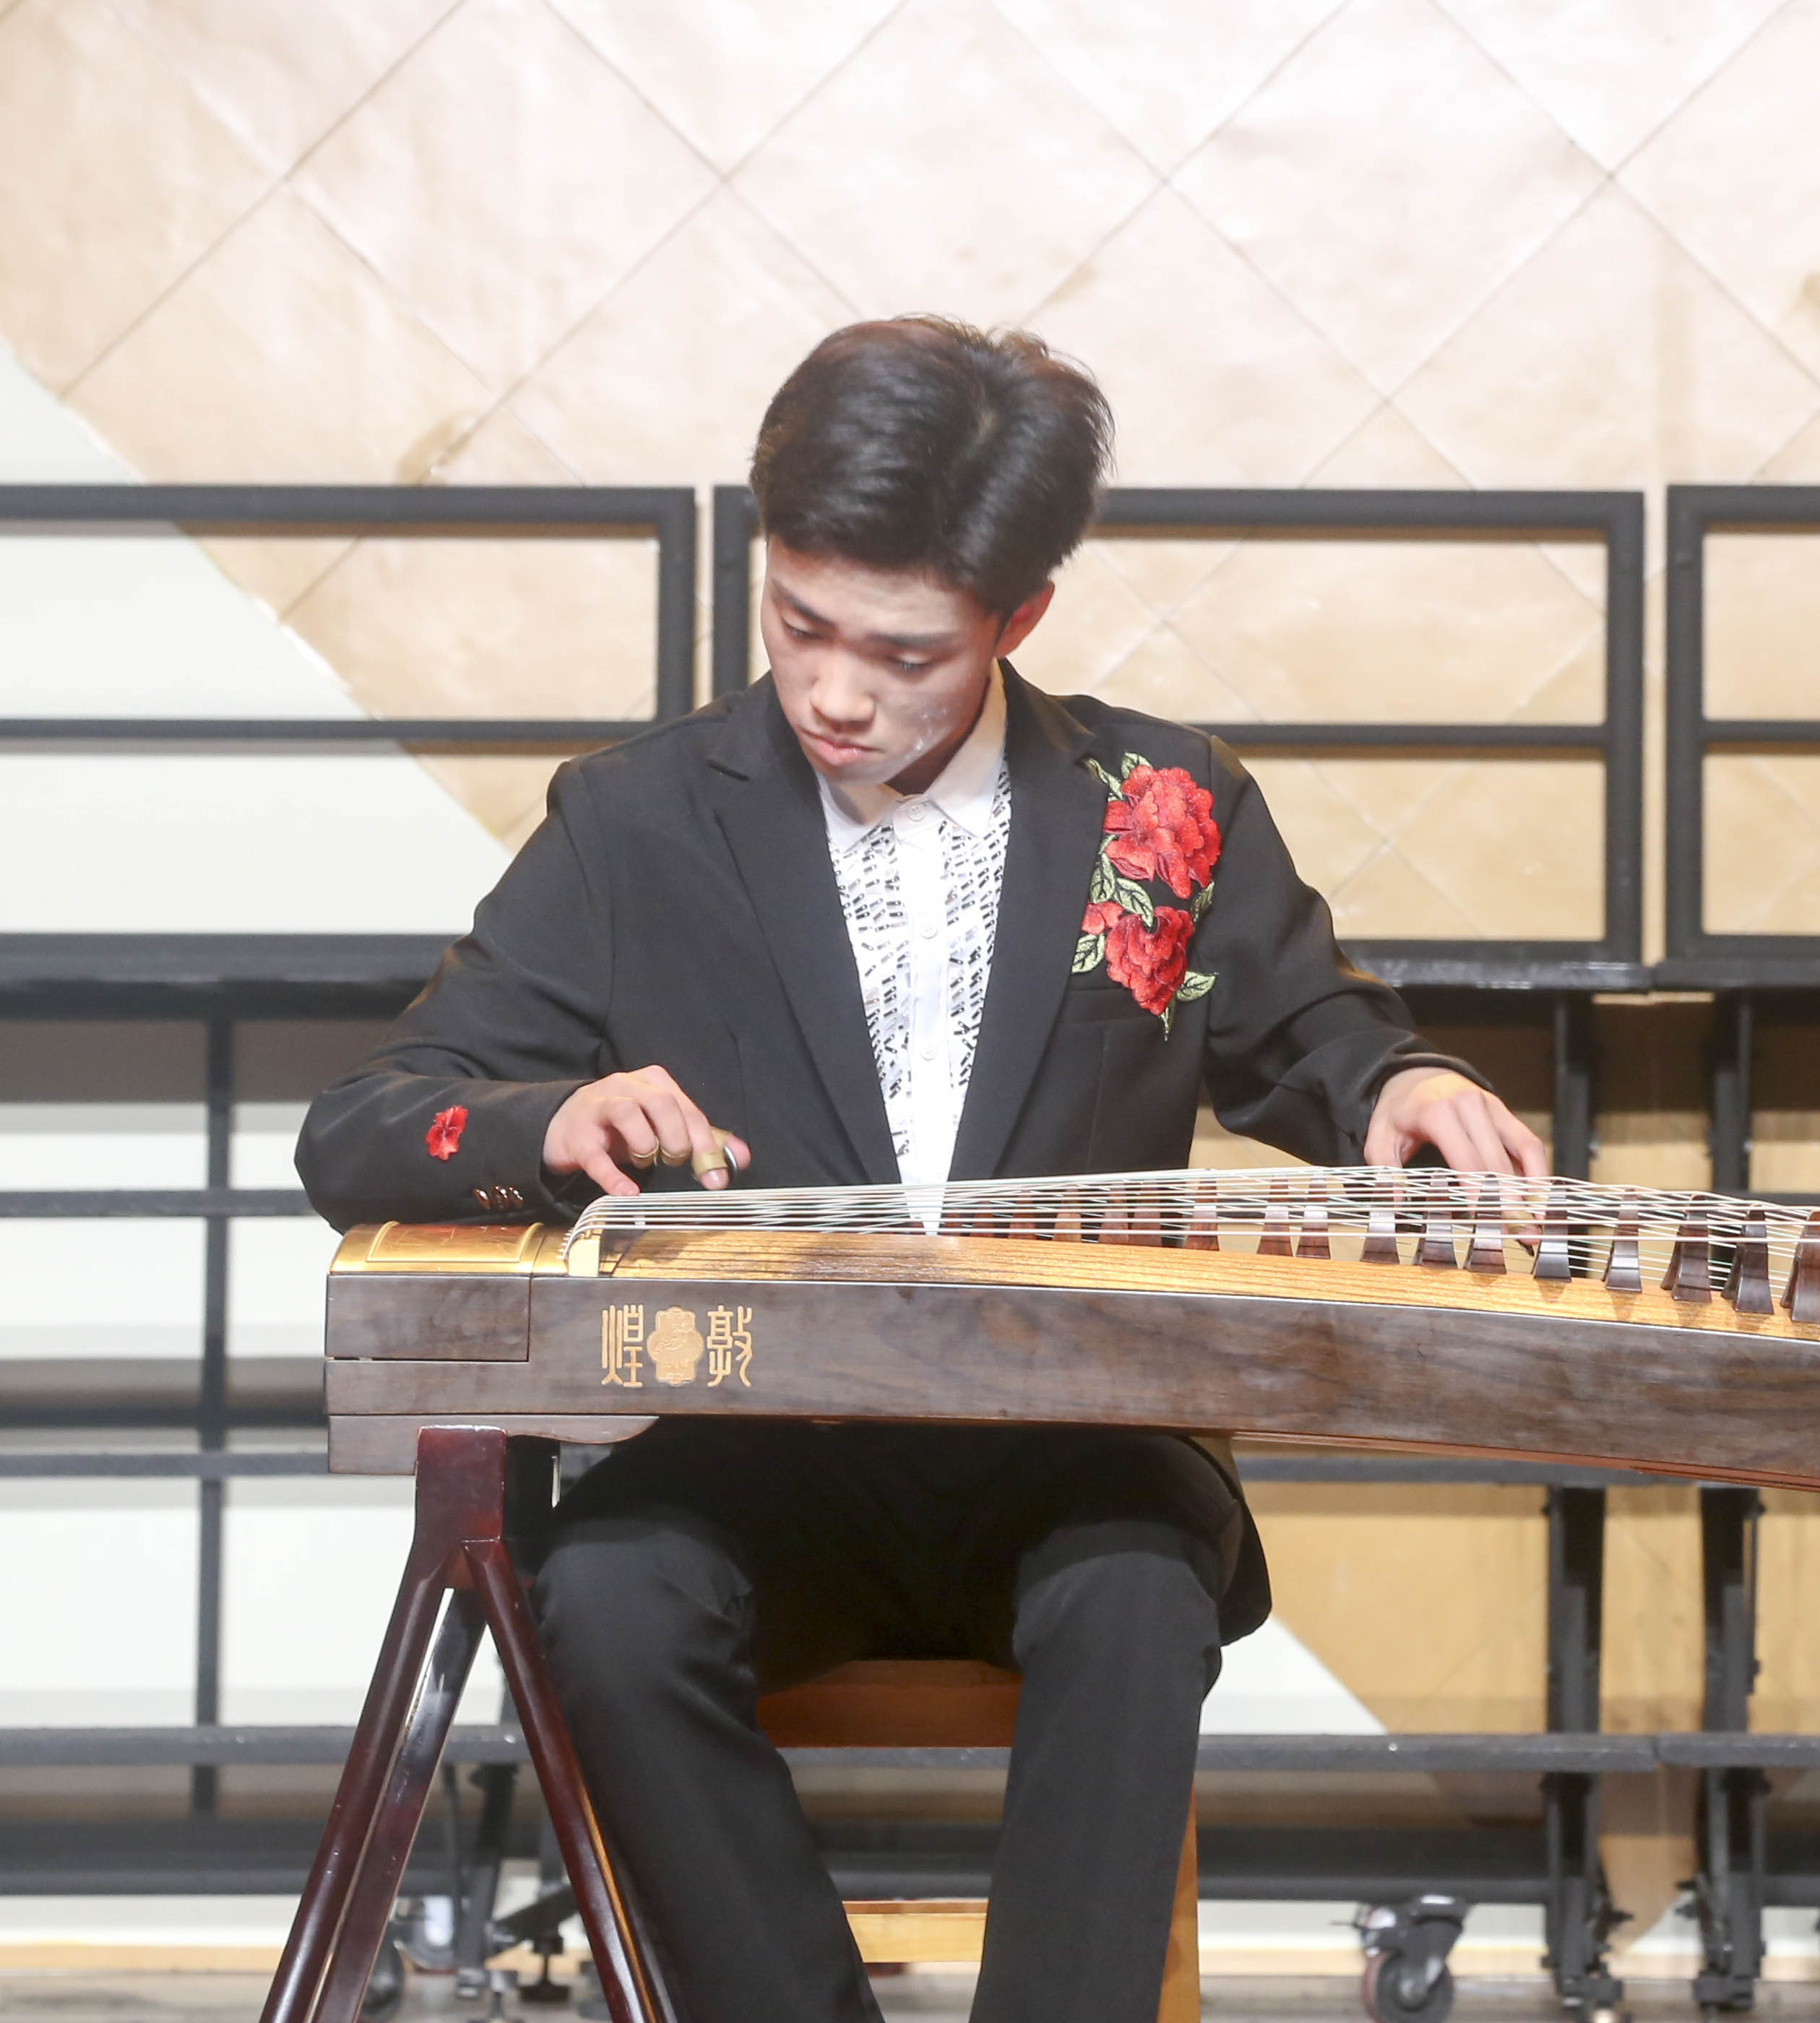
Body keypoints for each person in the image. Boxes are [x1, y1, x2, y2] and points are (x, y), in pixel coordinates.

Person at [297, 317, 1545, 2023]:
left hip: (1077, 1439)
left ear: (1018, 618)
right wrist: (545, 1122)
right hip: (764, 1448)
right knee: (605, 1594)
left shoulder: (1157, 802)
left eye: (903, 653)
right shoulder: (638, 820)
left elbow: (1311, 1030)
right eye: (797, 621)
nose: (834, 692)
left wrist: (1402, 1077)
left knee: (1131, 1590)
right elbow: (365, 1119)